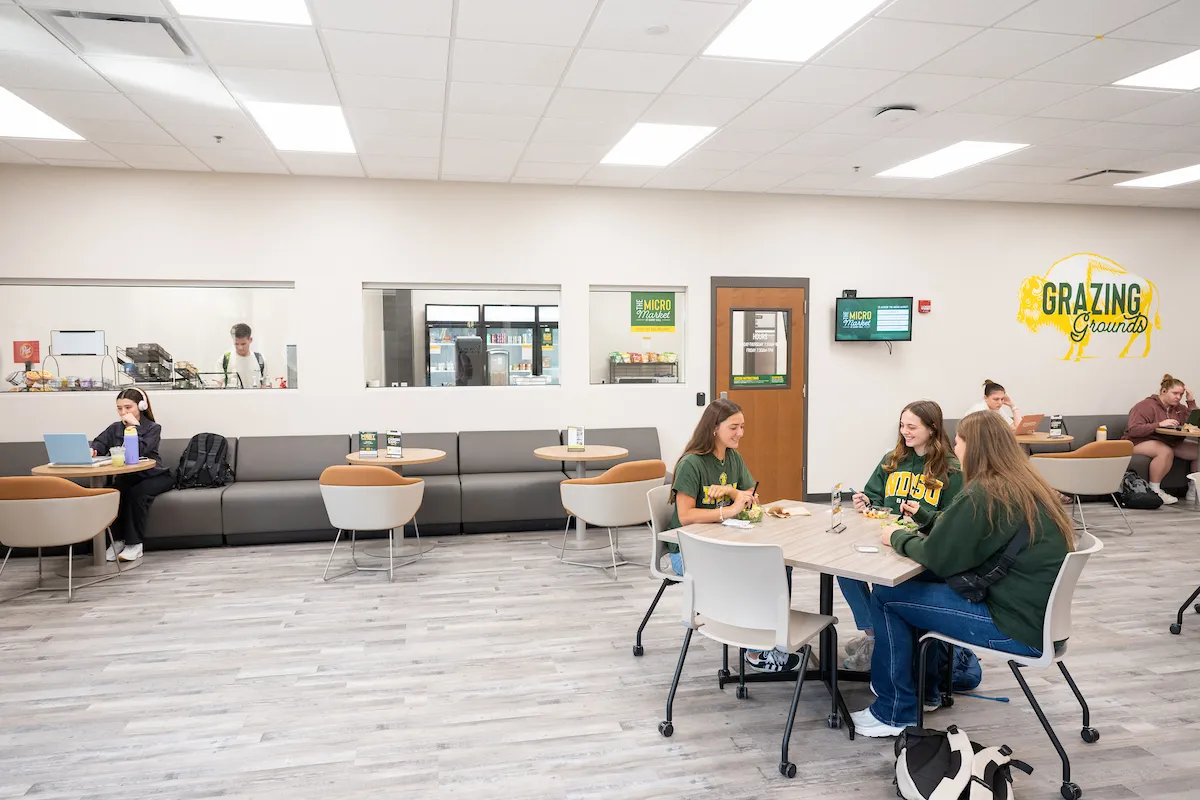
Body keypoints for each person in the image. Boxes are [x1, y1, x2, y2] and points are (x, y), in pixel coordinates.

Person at [850, 410, 1074, 738]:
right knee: (917, 585)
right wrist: (927, 519)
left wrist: (896, 537)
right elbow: (964, 533)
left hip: (1014, 627)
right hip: (1038, 617)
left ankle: (894, 711)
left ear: (976, 447)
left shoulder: (986, 491)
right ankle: (926, 691)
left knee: (888, 597)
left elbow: (938, 557)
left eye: (959, 443)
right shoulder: (1021, 484)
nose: (956, 450)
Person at [665, 399, 792, 672]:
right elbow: (685, 516)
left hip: (725, 544)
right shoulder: (692, 464)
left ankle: (776, 638)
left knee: (778, 568)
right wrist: (730, 510)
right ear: (714, 428)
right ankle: (756, 651)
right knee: (753, 573)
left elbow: (752, 498)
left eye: (742, 427)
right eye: (734, 427)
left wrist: (735, 495)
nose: (740, 433)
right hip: (689, 553)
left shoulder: (732, 457)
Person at [843, 400, 964, 671]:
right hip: (884, 539)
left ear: (932, 429)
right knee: (846, 571)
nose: (904, 431)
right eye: (902, 425)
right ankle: (875, 637)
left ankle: (889, 643)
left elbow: (951, 522)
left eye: (912, 426)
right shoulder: (892, 459)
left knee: (888, 586)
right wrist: (865, 502)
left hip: (920, 549)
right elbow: (874, 497)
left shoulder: (951, 469)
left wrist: (922, 516)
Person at [89, 388, 172, 562]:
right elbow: (100, 443)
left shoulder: (153, 428)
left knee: (136, 494)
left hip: (154, 475)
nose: (123, 412)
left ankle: (135, 544)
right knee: (113, 493)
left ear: (141, 406)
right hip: (129, 476)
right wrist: (93, 450)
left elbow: (140, 450)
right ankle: (117, 541)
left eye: (128, 407)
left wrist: (134, 427)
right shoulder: (114, 428)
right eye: (119, 408)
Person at [1122, 374, 1198, 506]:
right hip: (1137, 441)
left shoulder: (1179, 408)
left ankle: (1194, 489)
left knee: (1197, 450)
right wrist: (1159, 424)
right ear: (1163, 391)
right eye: (1175, 393)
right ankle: (1155, 489)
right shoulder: (1145, 406)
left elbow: (1193, 422)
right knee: (1165, 451)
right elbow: (1134, 429)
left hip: (1168, 440)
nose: (1178, 397)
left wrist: (1190, 402)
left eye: (1181, 394)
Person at [222, 323, 266, 389]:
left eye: (243, 344)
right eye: (236, 344)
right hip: (232, 398)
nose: (240, 347)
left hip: (255, 398)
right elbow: (217, 385)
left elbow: (266, 384)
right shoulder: (225, 359)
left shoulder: (260, 359)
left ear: (250, 340)